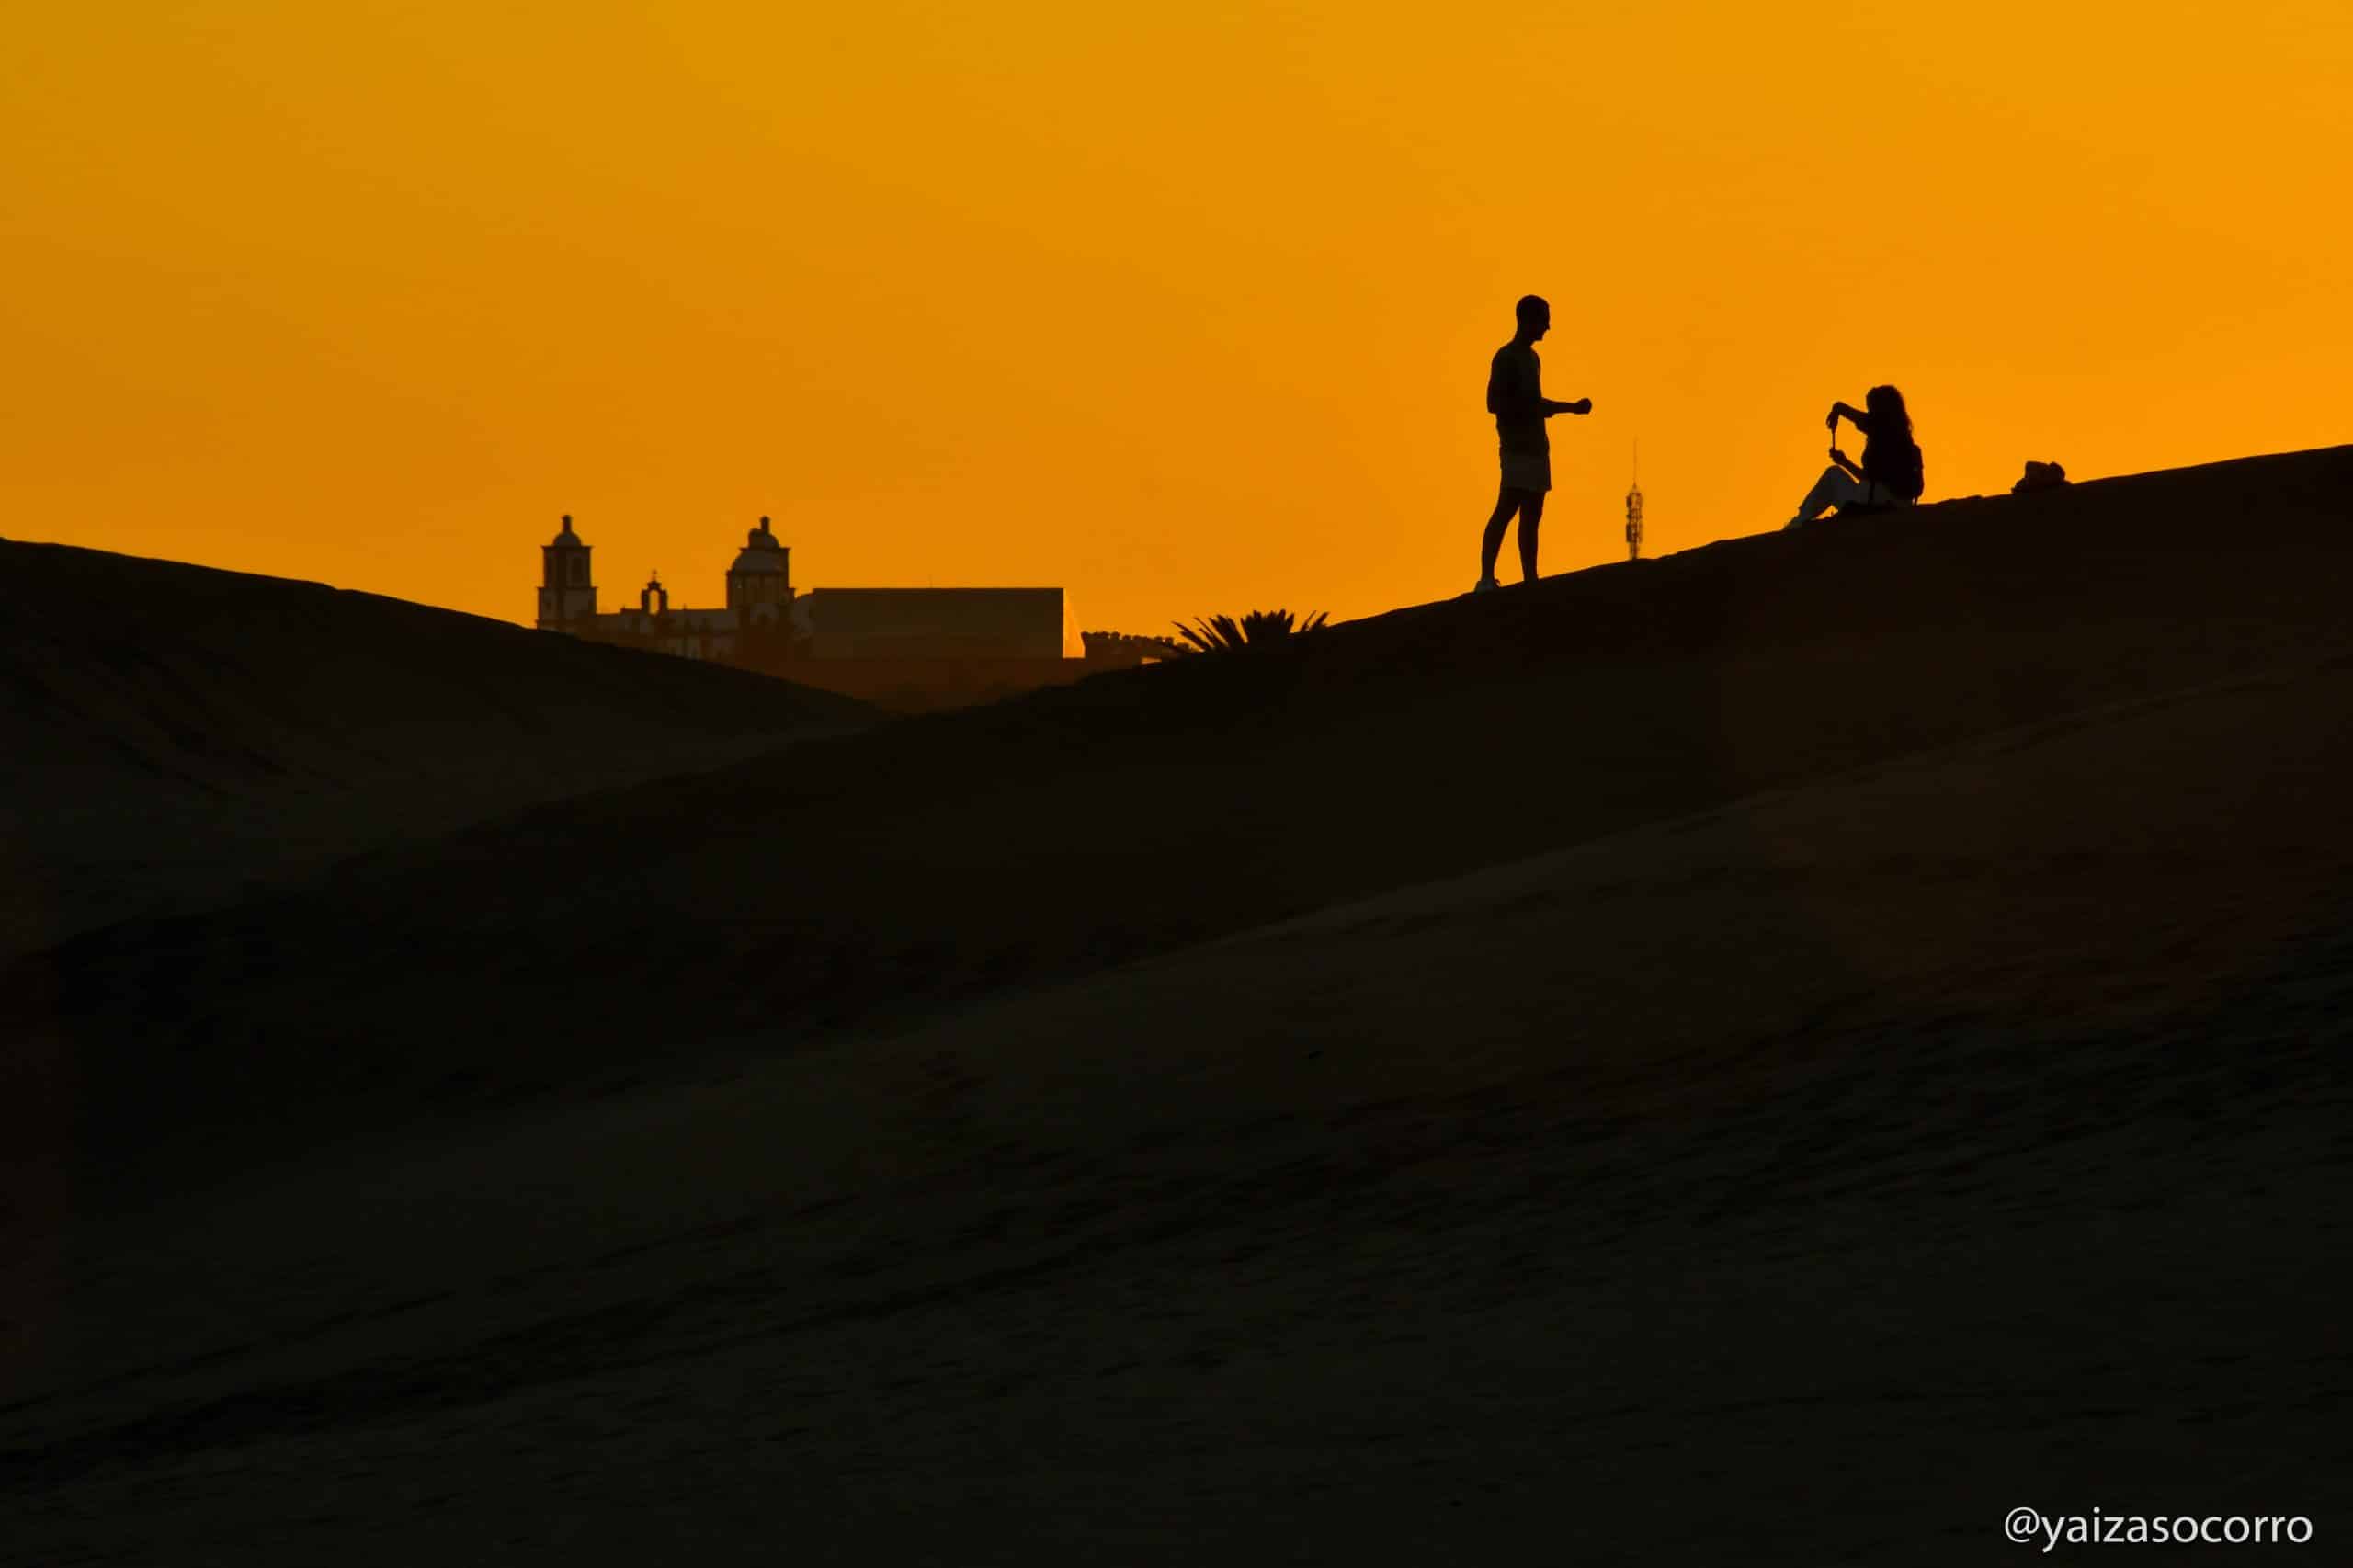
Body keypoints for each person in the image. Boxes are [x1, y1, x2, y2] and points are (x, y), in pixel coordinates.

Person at [1477, 295, 1592, 590]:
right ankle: (1486, 577)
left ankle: (1530, 577)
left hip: (1537, 447)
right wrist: (1541, 408)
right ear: (1527, 320)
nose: (1547, 327)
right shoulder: (1506, 357)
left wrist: (1565, 408)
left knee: (1532, 514)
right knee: (1507, 508)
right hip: (1516, 448)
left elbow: (1536, 402)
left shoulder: (1532, 358)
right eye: (1543, 320)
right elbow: (1493, 403)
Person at [1787, 385, 1923, 528]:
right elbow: (1871, 479)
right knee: (1835, 474)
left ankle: (1798, 522)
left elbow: (1857, 417)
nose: (1868, 413)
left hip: (1877, 504)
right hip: (1897, 504)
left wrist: (1838, 408)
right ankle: (1800, 520)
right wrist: (1844, 462)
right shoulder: (1904, 440)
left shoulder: (1883, 429)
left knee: (1832, 475)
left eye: (1871, 409)